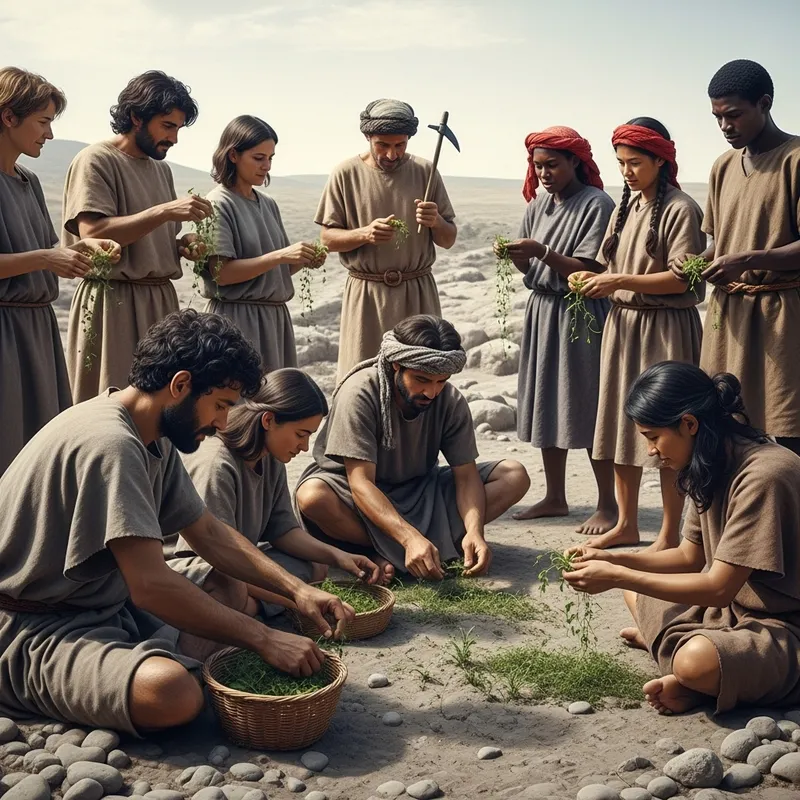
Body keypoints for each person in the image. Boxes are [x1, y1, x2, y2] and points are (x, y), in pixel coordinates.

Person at [0, 309, 354, 733]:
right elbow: (149, 586)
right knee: (173, 693)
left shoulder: (150, 432)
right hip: (32, 627)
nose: (224, 422)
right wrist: (265, 637)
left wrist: (297, 592)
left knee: (227, 594)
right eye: (220, 405)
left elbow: (207, 532)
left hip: (107, 607)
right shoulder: (112, 443)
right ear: (180, 385)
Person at [564, 361, 800, 715]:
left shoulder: (765, 476)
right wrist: (611, 560)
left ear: (689, 424)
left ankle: (693, 672)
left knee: (693, 661)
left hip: (786, 625)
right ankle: (704, 672)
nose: (651, 451)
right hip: (730, 613)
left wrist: (615, 576)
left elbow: (719, 588)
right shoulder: (711, 459)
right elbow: (688, 556)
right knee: (638, 588)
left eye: (653, 437)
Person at [295, 314, 530, 579]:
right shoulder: (359, 393)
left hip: (421, 491)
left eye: (441, 381)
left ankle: (412, 551)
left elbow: (466, 477)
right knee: (313, 496)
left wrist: (475, 531)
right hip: (356, 494)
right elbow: (361, 484)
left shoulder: (450, 400)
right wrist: (408, 539)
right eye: (421, 380)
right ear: (397, 364)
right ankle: (385, 550)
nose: (431, 392)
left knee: (514, 475)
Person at [569, 118, 705, 551]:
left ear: (661, 161)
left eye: (636, 162)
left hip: (665, 329)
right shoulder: (623, 208)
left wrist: (617, 281)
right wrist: (594, 280)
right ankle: (626, 524)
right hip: (623, 325)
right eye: (621, 163)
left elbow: (683, 280)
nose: (626, 171)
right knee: (618, 423)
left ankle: (668, 534)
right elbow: (613, 270)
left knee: (667, 430)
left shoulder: (681, 208)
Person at [167, 368, 389, 624]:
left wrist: (340, 556)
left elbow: (282, 531)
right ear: (268, 421)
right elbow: (217, 555)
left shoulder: (271, 458)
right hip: (199, 570)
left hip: (240, 565)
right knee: (231, 590)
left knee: (316, 565)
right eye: (300, 434)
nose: (304, 447)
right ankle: (255, 610)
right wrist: (299, 594)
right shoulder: (216, 465)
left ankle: (256, 607)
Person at [671, 60, 800, 455]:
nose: (725, 126)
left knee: (789, 425)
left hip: (782, 315)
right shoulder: (723, 167)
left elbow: (744, 252)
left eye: (734, 115)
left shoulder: (795, 159)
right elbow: (722, 243)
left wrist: (747, 260)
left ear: (765, 103)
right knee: (728, 423)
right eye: (717, 117)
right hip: (728, 315)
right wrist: (696, 260)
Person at [62, 70, 213, 403]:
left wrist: (181, 245)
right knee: (109, 403)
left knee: (162, 406)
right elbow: (94, 233)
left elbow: (149, 236)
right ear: (136, 117)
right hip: (111, 303)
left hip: (160, 302)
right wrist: (166, 212)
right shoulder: (96, 160)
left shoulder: (161, 169)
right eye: (168, 126)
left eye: (178, 128)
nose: (174, 138)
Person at [495, 126, 617, 535]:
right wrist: (517, 256)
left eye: (553, 165)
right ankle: (555, 496)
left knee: (587, 402)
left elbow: (593, 268)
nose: (544, 173)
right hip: (543, 312)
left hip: (582, 313)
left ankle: (608, 504)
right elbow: (533, 271)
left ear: (575, 163)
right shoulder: (538, 204)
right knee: (549, 400)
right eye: (537, 165)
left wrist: (542, 251)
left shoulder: (597, 204)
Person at [0, 66, 121, 474]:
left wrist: (78, 249)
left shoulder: (28, 181)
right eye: (43, 121)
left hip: (36, 330)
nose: (49, 135)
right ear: (8, 116)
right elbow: (39, 256)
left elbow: (40, 249)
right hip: (4, 332)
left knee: (38, 450)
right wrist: (45, 260)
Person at [315, 99, 458, 379]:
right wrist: (364, 234)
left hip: (417, 294)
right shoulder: (345, 174)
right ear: (368, 137)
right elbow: (327, 239)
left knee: (421, 376)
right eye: (383, 145)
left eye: (400, 145)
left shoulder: (426, 172)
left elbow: (448, 239)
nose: (392, 154)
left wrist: (436, 221)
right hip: (367, 298)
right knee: (364, 378)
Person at [201, 116, 327, 370]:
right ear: (233, 155)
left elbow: (277, 269)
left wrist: (302, 260)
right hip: (236, 321)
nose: (266, 166)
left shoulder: (268, 203)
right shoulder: (218, 203)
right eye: (259, 158)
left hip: (274, 321)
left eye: (270, 158)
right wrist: (281, 256)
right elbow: (221, 274)